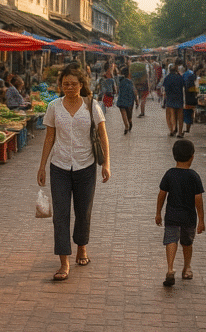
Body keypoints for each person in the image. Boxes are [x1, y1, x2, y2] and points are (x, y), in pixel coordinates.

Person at [37, 63, 111, 282]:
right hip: (59, 166)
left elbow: (103, 135)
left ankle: (82, 247)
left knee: (83, 210)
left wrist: (107, 163)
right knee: (60, 215)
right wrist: (42, 166)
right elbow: (49, 137)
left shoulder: (92, 106)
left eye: (73, 84)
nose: (69, 87)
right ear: (61, 85)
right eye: (65, 84)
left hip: (85, 165)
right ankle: (64, 261)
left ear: (81, 85)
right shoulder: (53, 107)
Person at [155, 138, 205, 287]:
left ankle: (170, 269)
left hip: (171, 215)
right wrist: (201, 220)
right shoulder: (194, 176)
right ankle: (187, 268)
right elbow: (198, 200)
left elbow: (162, 194)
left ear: (174, 156)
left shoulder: (170, 174)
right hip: (189, 217)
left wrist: (158, 212)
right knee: (187, 242)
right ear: (192, 157)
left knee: (171, 240)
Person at [162, 63, 185, 136]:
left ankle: (172, 130)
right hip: (179, 98)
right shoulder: (180, 77)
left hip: (170, 98)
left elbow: (165, 90)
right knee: (180, 115)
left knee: (171, 114)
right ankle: (180, 132)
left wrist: (164, 100)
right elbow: (184, 86)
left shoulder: (167, 78)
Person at [181, 65, 202, 136]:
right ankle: (186, 129)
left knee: (186, 113)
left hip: (185, 97)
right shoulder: (193, 76)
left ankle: (184, 129)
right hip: (190, 98)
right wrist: (197, 93)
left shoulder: (187, 74)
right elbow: (195, 88)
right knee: (189, 113)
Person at [117, 70, 137, 135]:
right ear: (129, 75)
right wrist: (136, 101)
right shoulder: (130, 82)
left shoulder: (120, 82)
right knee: (129, 113)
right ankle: (130, 122)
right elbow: (134, 92)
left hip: (121, 100)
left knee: (123, 114)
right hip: (129, 101)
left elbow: (118, 90)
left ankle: (126, 126)